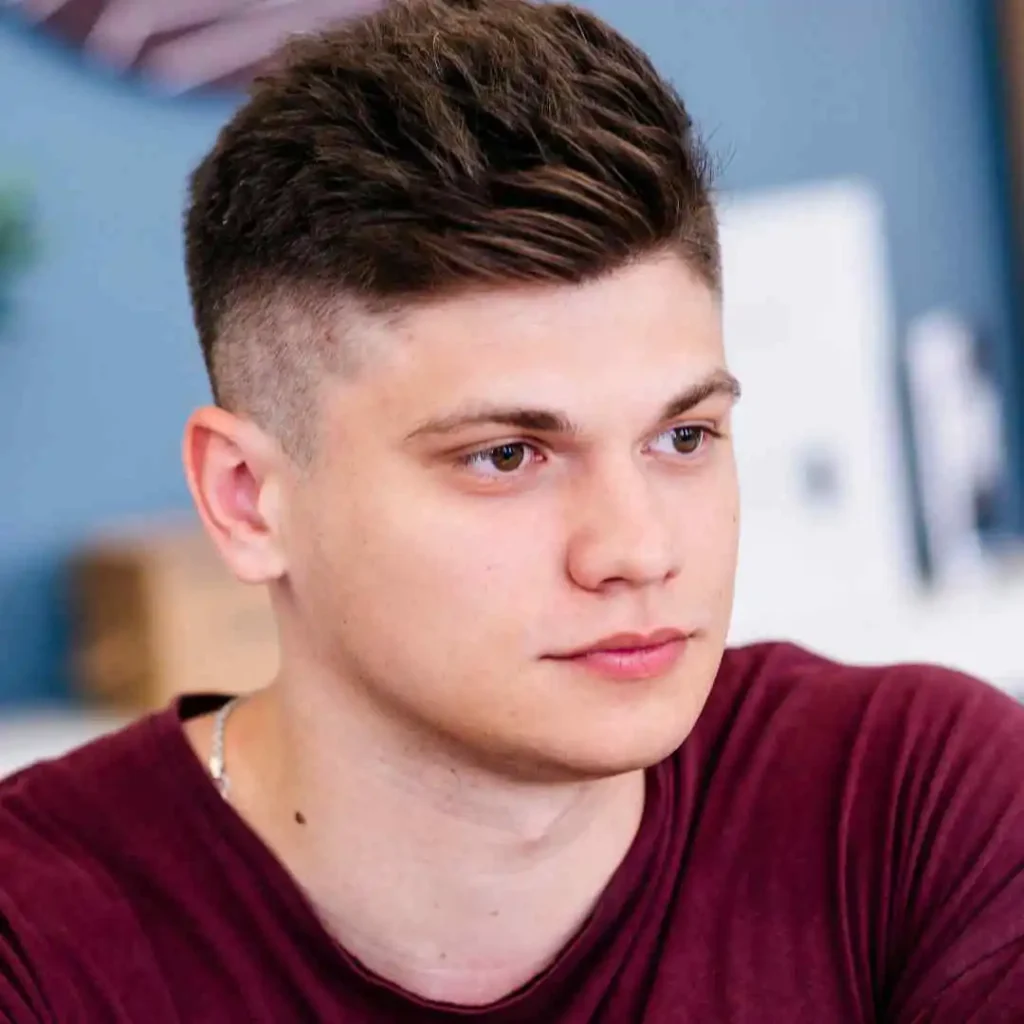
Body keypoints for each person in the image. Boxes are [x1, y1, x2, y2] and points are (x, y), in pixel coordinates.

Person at [2, 1, 1023, 1020]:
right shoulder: (39, 939)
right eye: (506, 455)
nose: (636, 549)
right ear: (246, 498)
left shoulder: (913, 806)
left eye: (682, 438)